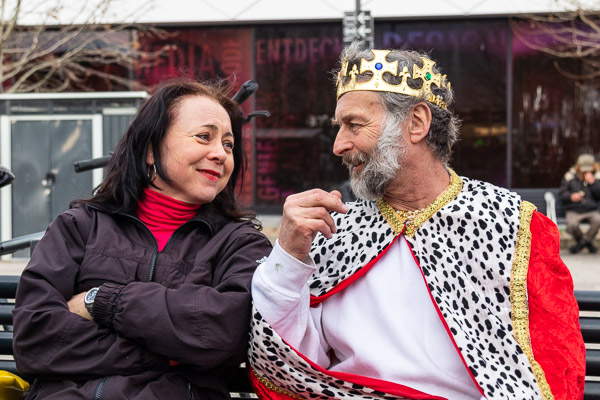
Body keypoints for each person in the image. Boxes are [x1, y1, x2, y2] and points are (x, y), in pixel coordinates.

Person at [248, 43, 585, 400]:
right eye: (339, 127)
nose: (338, 145)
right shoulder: (333, 231)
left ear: (417, 123)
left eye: (354, 124)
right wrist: (288, 256)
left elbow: (556, 367)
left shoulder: (511, 224)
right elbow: (286, 365)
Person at [12, 78, 273, 399]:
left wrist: (103, 301)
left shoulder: (240, 244)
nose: (220, 154)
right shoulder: (79, 226)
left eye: (229, 145)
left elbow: (221, 336)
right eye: (204, 137)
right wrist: (169, 351)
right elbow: (34, 340)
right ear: (151, 149)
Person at [559, 153, 600, 254]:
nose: (586, 172)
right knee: (572, 224)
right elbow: (562, 194)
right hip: (574, 210)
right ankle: (587, 244)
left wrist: (593, 183)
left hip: (591, 210)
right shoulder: (570, 176)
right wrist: (571, 196)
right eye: (583, 170)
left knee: (598, 220)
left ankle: (581, 244)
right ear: (578, 167)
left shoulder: (597, 176)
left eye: (588, 169)